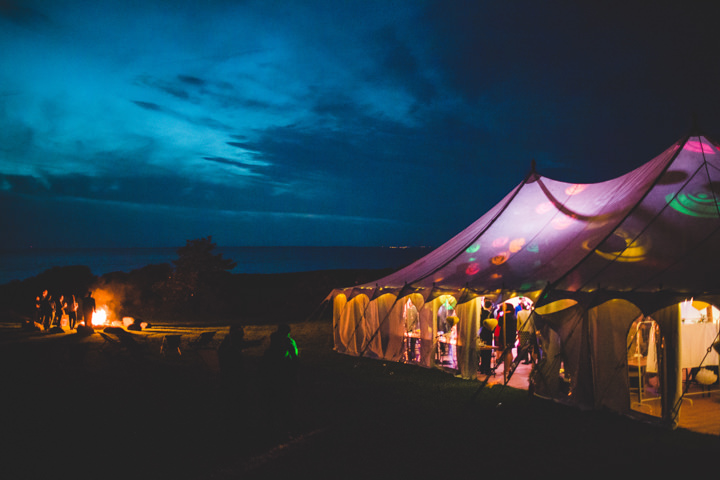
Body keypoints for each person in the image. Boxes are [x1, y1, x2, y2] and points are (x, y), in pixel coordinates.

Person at [498, 302, 518, 383]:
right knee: (509, 351)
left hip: (506, 336)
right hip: (511, 335)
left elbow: (499, 324)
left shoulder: (505, 317)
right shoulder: (513, 316)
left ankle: (506, 369)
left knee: (507, 352)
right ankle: (508, 367)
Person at [479, 299, 496, 375]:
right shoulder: (490, 315)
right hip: (488, 334)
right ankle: (487, 368)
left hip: (482, 334)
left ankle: (482, 367)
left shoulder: (481, 313)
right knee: (488, 351)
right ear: (490, 306)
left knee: (482, 351)